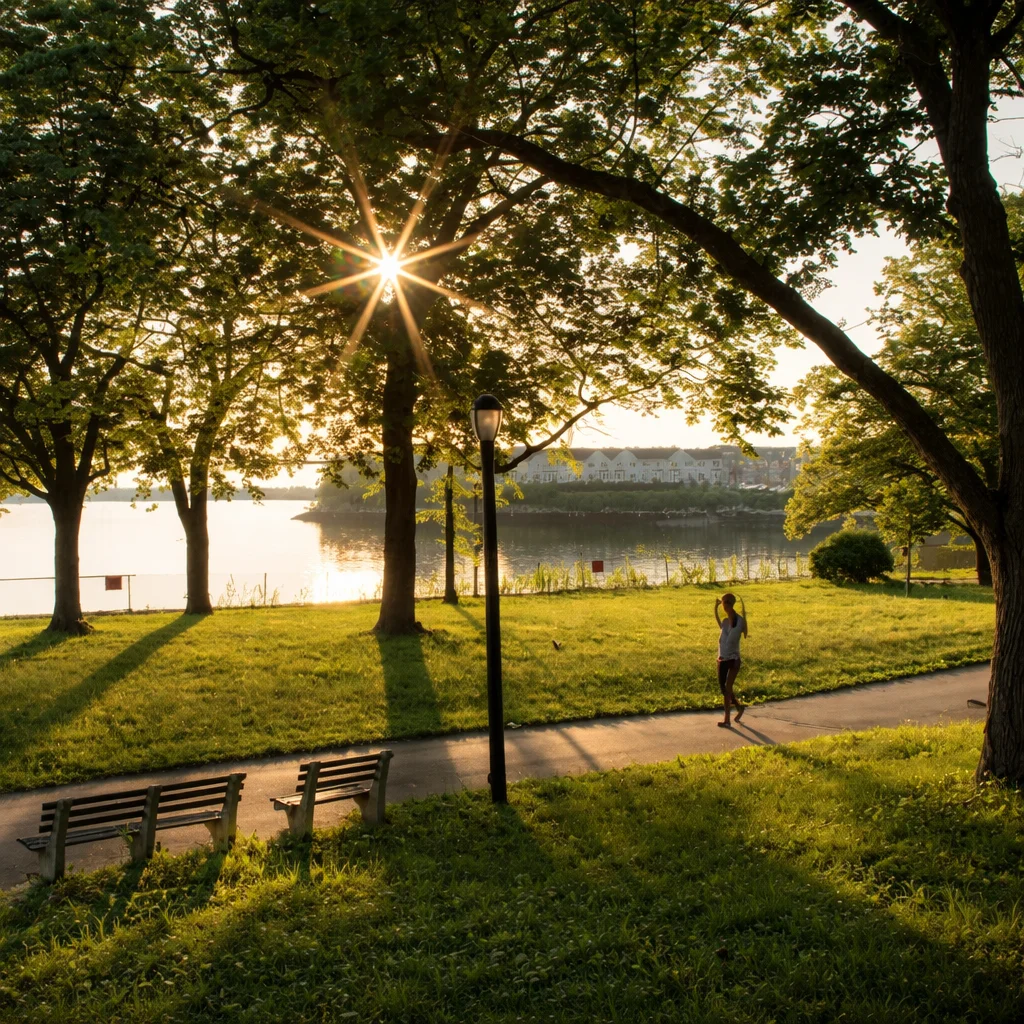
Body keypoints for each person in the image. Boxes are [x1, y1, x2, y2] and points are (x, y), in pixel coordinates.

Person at [714, 592, 748, 728]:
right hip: (722, 659)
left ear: (732, 604)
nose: (725, 605)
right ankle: (739, 707)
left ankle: (727, 719)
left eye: (727, 602)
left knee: (728, 688)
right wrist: (715, 608)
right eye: (723, 602)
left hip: (733, 659)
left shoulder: (739, 622)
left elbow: (742, 632)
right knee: (724, 689)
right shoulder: (725, 622)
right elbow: (718, 622)